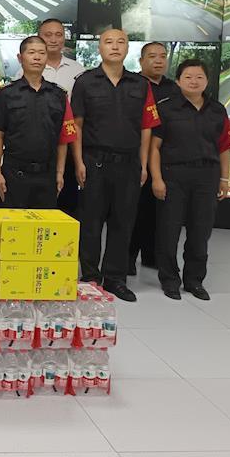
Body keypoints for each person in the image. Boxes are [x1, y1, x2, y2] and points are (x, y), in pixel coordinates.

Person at [71, 29, 160, 302]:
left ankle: (115, 278)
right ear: (99, 48)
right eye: (108, 42)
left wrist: (143, 164)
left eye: (121, 42)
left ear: (127, 49)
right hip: (94, 161)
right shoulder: (85, 82)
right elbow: (77, 125)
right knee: (91, 223)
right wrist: (78, 162)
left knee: (123, 222)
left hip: (129, 164)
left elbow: (147, 128)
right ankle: (90, 276)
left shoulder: (140, 84)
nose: (115, 47)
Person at [151, 60, 230, 301]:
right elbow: (154, 147)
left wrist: (224, 178)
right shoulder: (166, 108)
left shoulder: (217, 110)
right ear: (178, 81)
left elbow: (224, 147)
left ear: (207, 81)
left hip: (206, 177)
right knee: (168, 231)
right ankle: (169, 280)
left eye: (199, 77)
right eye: (188, 77)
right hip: (173, 176)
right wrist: (157, 178)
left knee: (200, 231)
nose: (194, 81)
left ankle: (194, 281)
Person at [0, 36, 76, 208]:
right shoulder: (6, 94)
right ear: (20, 58)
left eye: (42, 53)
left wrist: (60, 172)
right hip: (15, 173)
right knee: (14, 223)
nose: (37, 57)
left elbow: (63, 138)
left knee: (45, 223)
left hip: (47, 174)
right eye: (31, 52)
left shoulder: (58, 95)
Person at [129, 42, 180, 275]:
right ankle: (128, 258)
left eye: (162, 56)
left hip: (163, 159)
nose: (158, 60)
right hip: (137, 156)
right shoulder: (133, 84)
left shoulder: (174, 89)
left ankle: (152, 257)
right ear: (141, 61)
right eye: (152, 56)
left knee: (159, 212)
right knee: (134, 211)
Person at [35, 18, 84, 217]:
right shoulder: (29, 68)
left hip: (69, 143)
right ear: (39, 37)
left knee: (66, 203)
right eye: (48, 35)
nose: (53, 40)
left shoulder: (78, 70)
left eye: (58, 35)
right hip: (38, 145)